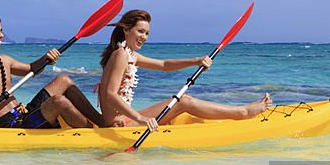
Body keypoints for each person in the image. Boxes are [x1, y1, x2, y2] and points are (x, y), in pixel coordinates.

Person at [98, 9, 272, 130]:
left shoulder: (128, 55)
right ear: (126, 30)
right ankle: (243, 112)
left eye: (147, 33)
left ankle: (241, 110)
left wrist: (196, 61)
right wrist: (141, 119)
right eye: (140, 31)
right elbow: (111, 94)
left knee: (183, 100)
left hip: (126, 119)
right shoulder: (121, 54)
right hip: (120, 124)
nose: (144, 37)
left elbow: (164, 65)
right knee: (184, 101)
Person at [0, 8, 103, 131]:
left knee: (64, 80)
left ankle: (103, 124)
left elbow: (31, 69)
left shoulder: (4, 60)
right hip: (9, 126)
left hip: (24, 114)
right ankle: (93, 133)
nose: (1, 35)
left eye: (1, 30)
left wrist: (45, 59)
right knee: (58, 101)